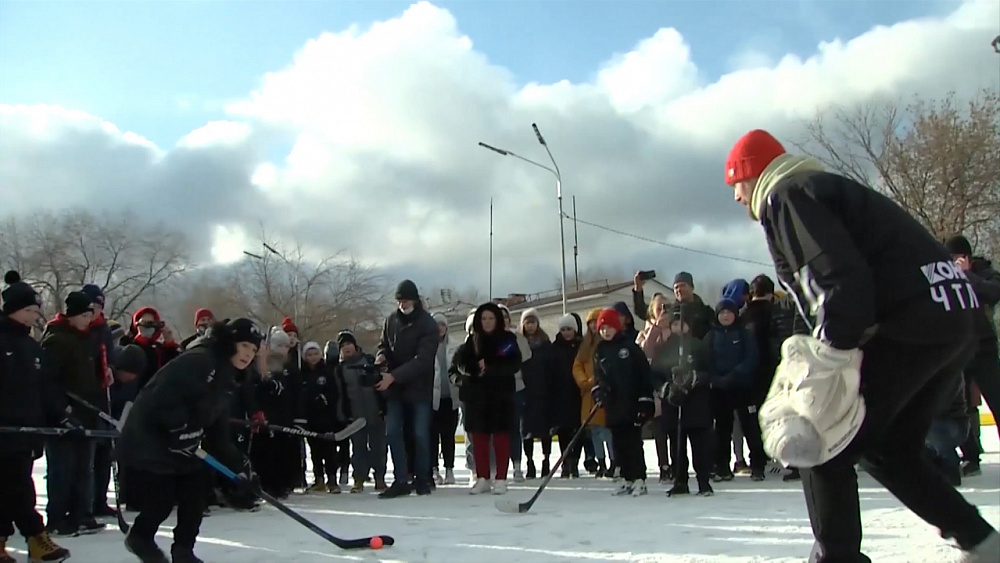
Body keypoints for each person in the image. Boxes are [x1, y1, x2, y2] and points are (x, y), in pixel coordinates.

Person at [723, 128, 999, 561]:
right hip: (955, 317)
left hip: (906, 324)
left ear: (751, 175)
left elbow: (838, 281)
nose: (738, 198)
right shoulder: (826, 189)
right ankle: (982, 543)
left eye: (735, 185)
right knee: (889, 450)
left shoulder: (787, 195)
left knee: (817, 435)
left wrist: (829, 357)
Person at [118, 318, 263, 563]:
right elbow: (163, 396)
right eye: (245, 346)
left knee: (197, 489)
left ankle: (184, 550)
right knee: (162, 499)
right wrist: (180, 429)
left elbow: (217, 431)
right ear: (229, 342)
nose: (248, 354)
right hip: (149, 439)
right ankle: (140, 537)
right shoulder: (201, 360)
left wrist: (240, 469)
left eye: (254, 350)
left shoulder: (228, 378)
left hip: (182, 444)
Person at [0, 271, 73, 563]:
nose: (32, 317)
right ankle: (33, 537)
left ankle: (19, 541)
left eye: (34, 311)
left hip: (27, 432)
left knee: (15, 488)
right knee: (14, 490)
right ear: (12, 310)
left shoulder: (32, 348)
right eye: (28, 310)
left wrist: (62, 417)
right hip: (5, 432)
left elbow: (46, 389)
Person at [41, 291, 106, 536]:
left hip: (87, 411)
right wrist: (61, 407)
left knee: (84, 467)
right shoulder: (56, 339)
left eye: (91, 314)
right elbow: (48, 380)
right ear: (73, 315)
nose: (89, 319)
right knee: (62, 468)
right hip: (63, 414)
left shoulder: (86, 339)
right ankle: (58, 517)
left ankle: (82, 514)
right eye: (85, 315)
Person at [374, 280, 439, 498]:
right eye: (400, 301)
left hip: (418, 387)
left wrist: (394, 376)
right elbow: (383, 344)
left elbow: (423, 360)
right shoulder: (391, 320)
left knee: (420, 434)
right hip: (395, 388)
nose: (403, 304)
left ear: (416, 300)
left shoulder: (428, 324)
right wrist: (381, 356)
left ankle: (422, 478)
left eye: (407, 300)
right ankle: (401, 479)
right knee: (392, 432)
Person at [944, 235, 1000, 476]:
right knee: (962, 406)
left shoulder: (985, 273)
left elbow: (993, 293)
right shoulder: (944, 276)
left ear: (966, 258)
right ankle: (970, 456)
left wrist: (967, 275)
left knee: (996, 400)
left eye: (956, 259)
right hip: (959, 350)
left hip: (985, 348)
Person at [452, 302, 522, 495]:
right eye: (484, 318)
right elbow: (459, 364)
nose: (487, 322)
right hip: (477, 397)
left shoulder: (507, 340)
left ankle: (501, 478)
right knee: (479, 438)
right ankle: (482, 477)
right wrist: (473, 370)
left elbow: (514, 363)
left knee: (501, 437)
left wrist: (491, 366)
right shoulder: (471, 341)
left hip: (501, 395)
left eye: (491, 318)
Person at [652, 302, 715, 497]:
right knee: (677, 445)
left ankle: (704, 481)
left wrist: (693, 379)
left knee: (700, 445)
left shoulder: (698, 345)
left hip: (696, 404)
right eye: (675, 324)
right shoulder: (663, 348)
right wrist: (667, 388)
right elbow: (654, 375)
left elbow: (709, 371)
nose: (678, 328)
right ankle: (680, 480)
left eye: (682, 324)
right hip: (673, 404)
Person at [592, 308, 655, 497]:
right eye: (602, 328)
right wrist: (600, 393)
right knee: (618, 443)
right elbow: (599, 377)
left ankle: (639, 479)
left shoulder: (630, 348)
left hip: (632, 403)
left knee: (633, 443)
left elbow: (644, 375)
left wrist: (645, 401)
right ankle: (626, 478)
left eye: (609, 327)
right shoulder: (600, 351)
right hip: (613, 406)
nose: (606, 332)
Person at [704, 299, 765, 482]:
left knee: (750, 427)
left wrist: (736, 374)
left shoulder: (744, 334)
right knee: (722, 429)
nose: (725, 316)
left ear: (735, 314)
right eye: (722, 313)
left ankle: (758, 465)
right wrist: (715, 379)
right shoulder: (711, 336)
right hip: (720, 389)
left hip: (742, 387)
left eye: (729, 312)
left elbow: (752, 357)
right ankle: (722, 467)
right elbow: (705, 360)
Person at [79, 284, 118, 519]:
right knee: (87, 456)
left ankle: (100, 499)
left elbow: (110, 355)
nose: (96, 310)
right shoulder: (79, 329)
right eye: (92, 305)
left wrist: (110, 368)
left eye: (99, 306)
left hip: (103, 395)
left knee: (105, 451)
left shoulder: (103, 328)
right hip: (85, 397)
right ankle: (85, 504)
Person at [338, 333, 388, 493]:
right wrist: (343, 415)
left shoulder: (368, 360)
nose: (346, 347)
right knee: (358, 449)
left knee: (378, 448)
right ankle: (358, 478)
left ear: (355, 345)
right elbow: (340, 394)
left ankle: (379, 477)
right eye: (343, 346)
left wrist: (384, 409)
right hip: (355, 415)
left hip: (375, 412)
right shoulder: (340, 369)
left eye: (348, 344)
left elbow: (380, 383)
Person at [300, 341, 351, 494]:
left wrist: (324, 398)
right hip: (310, 418)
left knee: (329, 449)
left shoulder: (327, 371)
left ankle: (332, 480)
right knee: (315, 451)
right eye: (309, 355)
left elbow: (335, 392)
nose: (313, 357)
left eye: (315, 354)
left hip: (327, 417)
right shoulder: (302, 373)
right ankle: (319, 479)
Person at [574, 308, 613, 478]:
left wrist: (599, 381)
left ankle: (613, 461)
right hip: (589, 395)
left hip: (604, 393)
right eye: (590, 324)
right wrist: (585, 382)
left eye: (595, 323)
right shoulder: (585, 346)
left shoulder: (606, 345)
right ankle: (601, 462)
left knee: (607, 432)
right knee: (595, 432)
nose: (593, 328)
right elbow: (577, 366)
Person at [431, 313, 459, 486]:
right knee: (433, 435)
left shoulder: (455, 346)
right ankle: (434, 469)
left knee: (449, 436)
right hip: (433, 399)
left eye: (442, 325)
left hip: (451, 397)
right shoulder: (427, 346)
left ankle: (449, 468)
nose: (440, 328)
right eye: (437, 325)